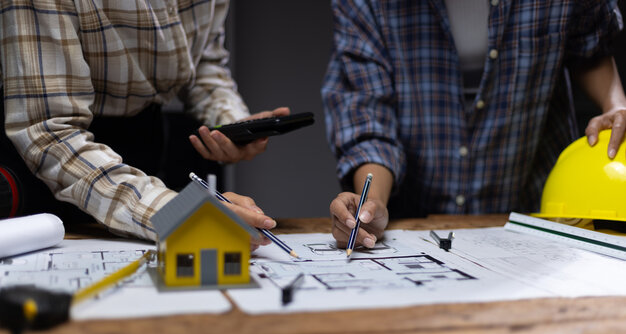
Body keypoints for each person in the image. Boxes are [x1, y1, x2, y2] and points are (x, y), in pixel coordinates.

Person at [322, 0, 626, 248]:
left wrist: (615, 106)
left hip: (530, 208)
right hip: (414, 215)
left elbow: (591, 45)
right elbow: (369, 118)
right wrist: (372, 204)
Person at [0, 0, 283, 248]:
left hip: (144, 148)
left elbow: (202, 63)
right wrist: (174, 213)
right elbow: (50, 133)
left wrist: (230, 126)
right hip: (42, 168)